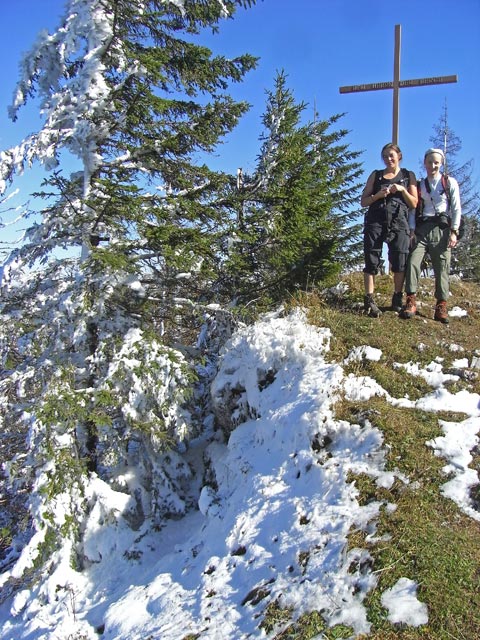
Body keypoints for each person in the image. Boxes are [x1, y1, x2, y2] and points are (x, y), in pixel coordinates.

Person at [400, 148, 462, 324]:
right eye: (429, 162)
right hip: (422, 227)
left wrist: (454, 231)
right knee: (413, 261)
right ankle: (411, 300)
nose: (433, 165)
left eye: (436, 162)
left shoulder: (449, 183)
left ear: (441, 163)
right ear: (424, 163)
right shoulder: (420, 185)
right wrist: (412, 230)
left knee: (442, 266)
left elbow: (456, 208)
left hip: (442, 229)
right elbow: (414, 208)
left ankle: (441, 305)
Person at [360, 143, 418, 317]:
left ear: (399, 155)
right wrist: (378, 195)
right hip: (376, 221)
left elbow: (414, 203)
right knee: (371, 258)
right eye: (385, 156)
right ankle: (369, 300)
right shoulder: (376, 176)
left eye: (391, 155)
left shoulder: (408, 176)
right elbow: (363, 201)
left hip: (399, 221)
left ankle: (397, 298)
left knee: (400, 259)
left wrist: (401, 190)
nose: (388, 159)